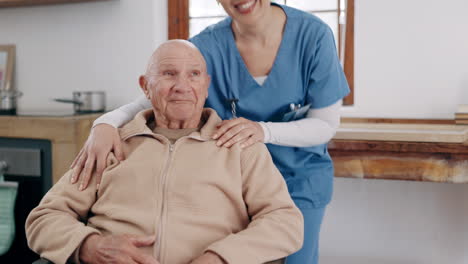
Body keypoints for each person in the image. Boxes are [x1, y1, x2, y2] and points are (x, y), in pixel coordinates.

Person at [70, 1, 350, 263]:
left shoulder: (312, 36)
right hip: (229, 182)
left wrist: (262, 131)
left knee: (292, 251)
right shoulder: (206, 46)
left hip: (297, 178)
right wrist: (103, 125)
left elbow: (325, 125)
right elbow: (154, 96)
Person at [25, 40, 304, 264]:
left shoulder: (240, 146)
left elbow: (284, 221)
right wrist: (91, 245)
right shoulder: (112, 143)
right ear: (145, 86)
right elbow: (44, 218)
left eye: (193, 75)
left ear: (206, 85)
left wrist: (221, 257)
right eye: (169, 74)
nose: (182, 86)